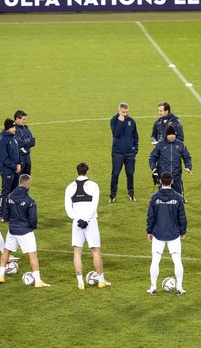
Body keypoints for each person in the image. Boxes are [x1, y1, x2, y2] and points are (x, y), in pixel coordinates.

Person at [64, 162, 110, 290]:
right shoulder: (94, 186)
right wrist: (86, 219)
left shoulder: (70, 187)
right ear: (87, 171)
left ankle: (80, 282)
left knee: (77, 252)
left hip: (77, 223)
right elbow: (94, 205)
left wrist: (77, 219)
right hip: (91, 222)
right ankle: (101, 281)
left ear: (76, 171)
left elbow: (68, 208)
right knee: (96, 251)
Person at [0, 174, 49, 287]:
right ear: (27, 184)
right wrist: (32, 227)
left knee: (7, 251)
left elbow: (5, 215)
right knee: (33, 255)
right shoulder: (30, 200)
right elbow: (33, 219)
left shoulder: (9, 196)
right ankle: (38, 281)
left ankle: (1, 276)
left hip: (12, 230)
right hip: (25, 231)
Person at [146, 172, 187, 295]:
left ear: (160, 181)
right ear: (172, 182)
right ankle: (179, 288)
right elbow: (182, 217)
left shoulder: (154, 197)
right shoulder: (178, 197)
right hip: (174, 233)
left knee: (155, 260)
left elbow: (150, 216)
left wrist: (149, 231)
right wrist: (182, 231)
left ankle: (153, 287)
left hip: (158, 233)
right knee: (177, 260)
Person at [149, 125, 192, 198]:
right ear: (166, 135)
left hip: (176, 176)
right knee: (163, 199)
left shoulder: (180, 144)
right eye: (169, 134)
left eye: (173, 134)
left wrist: (188, 166)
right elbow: (152, 158)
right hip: (164, 177)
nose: (171, 136)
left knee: (178, 198)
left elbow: (187, 157)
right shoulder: (160, 145)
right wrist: (154, 169)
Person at [109, 102, 139, 203]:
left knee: (130, 173)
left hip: (130, 152)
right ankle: (113, 195)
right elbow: (115, 134)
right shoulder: (113, 120)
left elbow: (135, 136)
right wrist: (120, 122)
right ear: (119, 111)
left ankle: (131, 193)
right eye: (123, 112)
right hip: (118, 152)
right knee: (115, 174)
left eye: (126, 112)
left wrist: (135, 149)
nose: (125, 114)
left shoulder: (131, 121)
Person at [0, 118, 21, 222]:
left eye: (14, 126)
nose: (14, 129)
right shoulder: (2, 141)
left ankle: (11, 213)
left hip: (15, 170)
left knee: (14, 193)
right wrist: (14, 167)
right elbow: (4, 159)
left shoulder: (13, 138)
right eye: (12, 127)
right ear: (7, 128)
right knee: (5, 193)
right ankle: (2, 214)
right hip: (7, 171)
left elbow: (17, 153)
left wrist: (19, 164)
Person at [14, 110, 35, 175]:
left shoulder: (26, 128)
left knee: (27, 178)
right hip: (19, 157)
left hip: (27, 156)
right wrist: (27, 140)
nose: (24, 121)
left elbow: (33, 141)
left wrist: (24, 141)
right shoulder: (14, 129)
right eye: (23, 119)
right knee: (18, 178)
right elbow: (18, 143)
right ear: (17, 119)